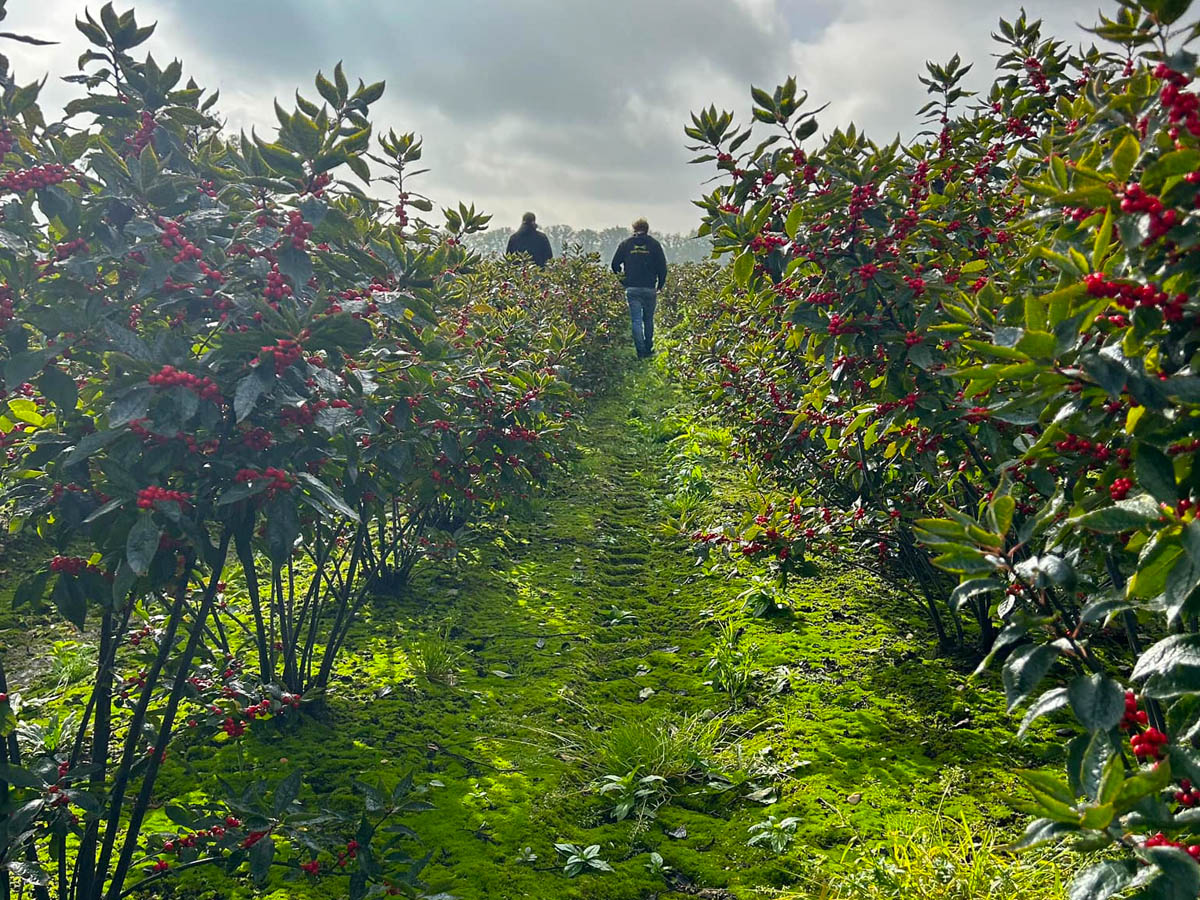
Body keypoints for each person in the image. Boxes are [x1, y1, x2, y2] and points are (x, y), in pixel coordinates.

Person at [611, 218, 667, 359]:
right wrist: (660, 285)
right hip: (649, 288)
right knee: (648, 319)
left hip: (632, 288)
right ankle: (649, 348)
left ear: (634, 229)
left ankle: (640, 351)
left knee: (636, 320)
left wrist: (623, 281)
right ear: (647, 229)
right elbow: (662, 267)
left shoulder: (626, 244)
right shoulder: (654, 245)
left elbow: (614, 265)